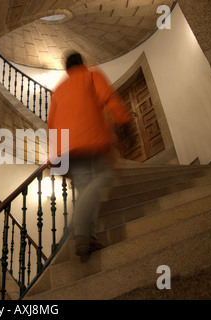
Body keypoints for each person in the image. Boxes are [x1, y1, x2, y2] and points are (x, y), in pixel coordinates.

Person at [47, 52, 134, 262]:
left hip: (66, 147)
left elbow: (50, 123)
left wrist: (57, 154)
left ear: (67, 69)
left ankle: (87, 235)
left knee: (86, 187)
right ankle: (79, 231)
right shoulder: (92, 75)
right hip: (90, 141)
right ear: (82, 63)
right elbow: (109, 97)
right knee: (104, 177)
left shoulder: (58, 90)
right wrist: (125, 122)